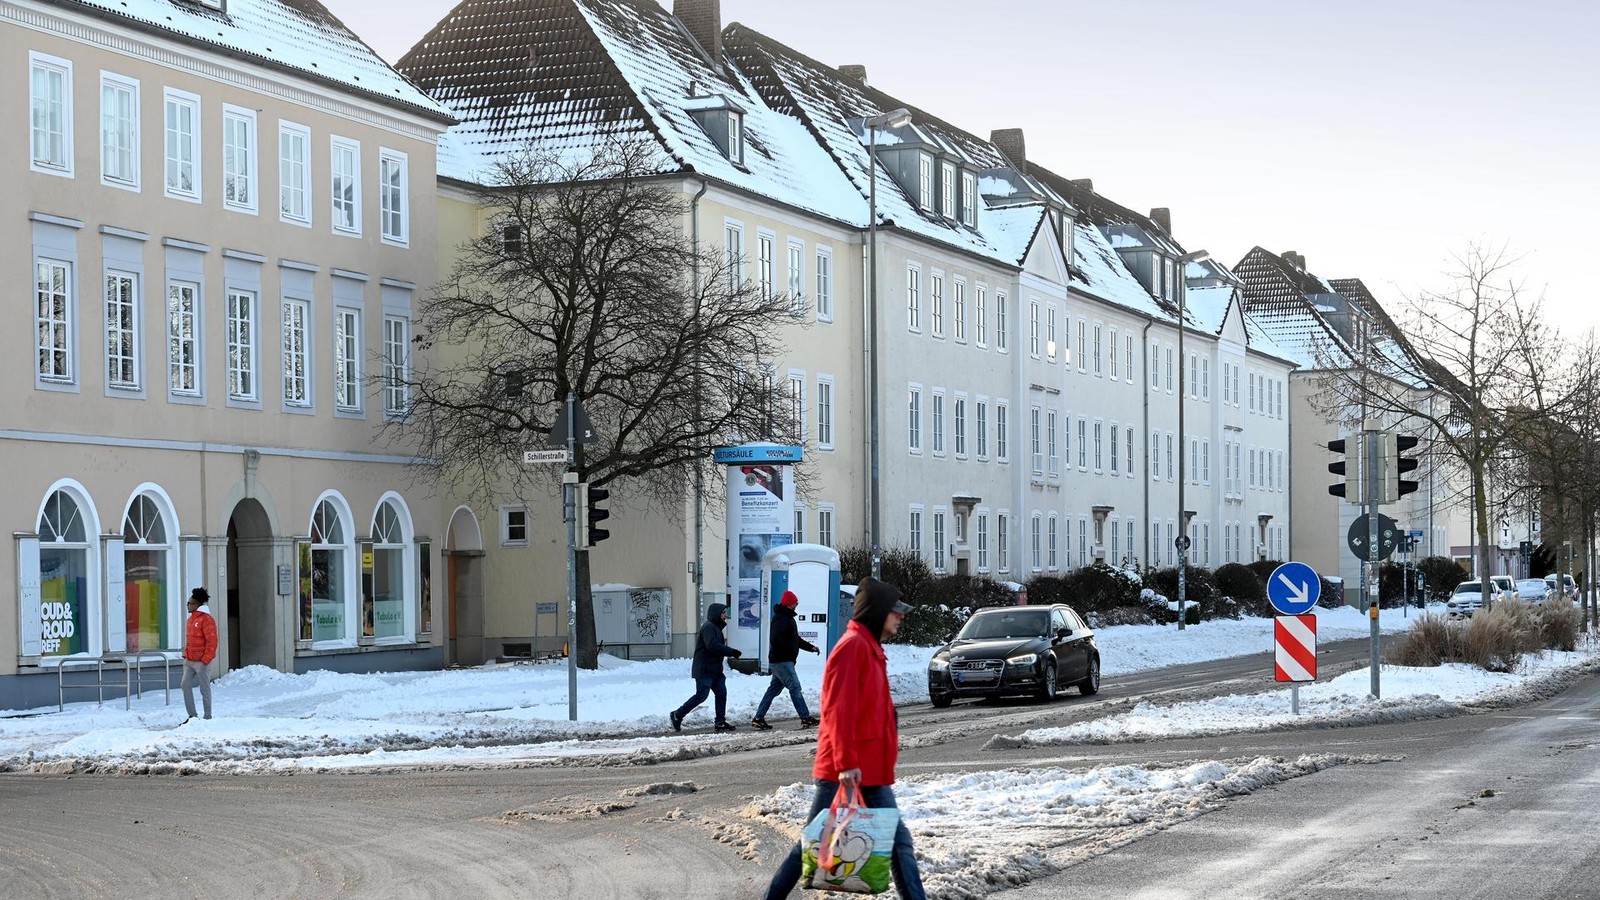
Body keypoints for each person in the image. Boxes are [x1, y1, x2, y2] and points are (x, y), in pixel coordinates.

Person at [764, 577, 924, 900]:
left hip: (868, 770)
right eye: (894, 611)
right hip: (846, 771)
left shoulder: (869, 647)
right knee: (811, 845)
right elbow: (838, 711)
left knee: (898, 844)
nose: (900, 617)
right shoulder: (853, 648)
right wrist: (847, 764)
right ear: (876, 612)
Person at [751, 590, 820, 730]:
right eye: (795, 603)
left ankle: (758, 718)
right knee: (795, 687)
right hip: (782, 661)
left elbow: (795, 639)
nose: (797, 605)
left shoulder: (787, 618)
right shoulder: (781, 619)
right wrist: (788, 649)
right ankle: (805, 718)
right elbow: (776, 639)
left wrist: (811, 647)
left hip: (781, 661)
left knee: (773, 690)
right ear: (789, 604)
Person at [669, 602, 741, 732]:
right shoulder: (709, 627)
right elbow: (712, 645)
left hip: (715, 670)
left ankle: (720, 721)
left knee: (721, 693)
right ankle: (677, 714)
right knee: (701, 695)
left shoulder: (715, 627)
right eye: (723, 613)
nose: (725, 616)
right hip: (705, 669)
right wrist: (730, 651)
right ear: (716, 614)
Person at [181, 587, 217, 722]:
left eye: (190, 603)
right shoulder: (190, 619)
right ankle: (192, 716)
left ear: (198, 605)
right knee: (185, 685)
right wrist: (186, 654)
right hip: (189, 660)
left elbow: (212, 641)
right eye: (188, 603)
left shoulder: (207, 619)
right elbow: (189, 639)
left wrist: (206, 659)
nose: (188, 605)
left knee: (204, 689)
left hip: (202, 661)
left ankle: (207, 716)